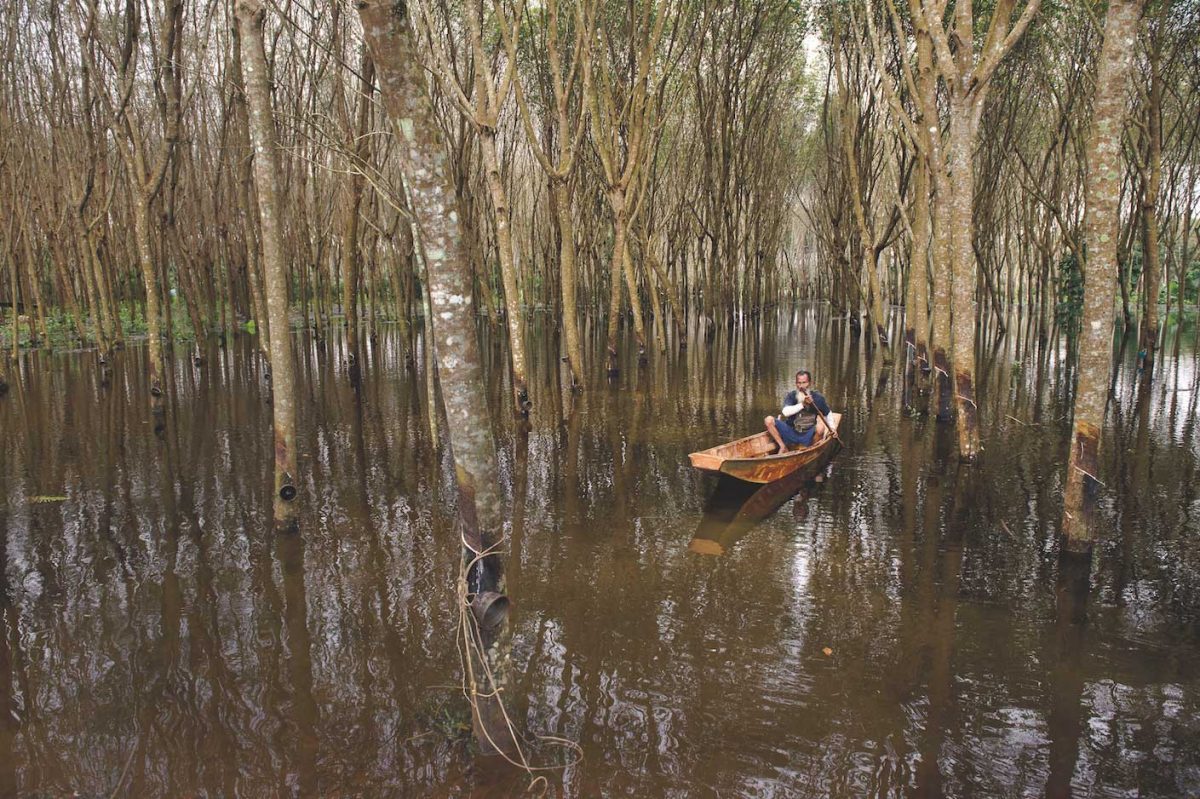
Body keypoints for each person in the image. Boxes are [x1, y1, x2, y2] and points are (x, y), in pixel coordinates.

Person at [765, 370, 831, 452]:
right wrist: (803, 404)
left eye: (804, 382)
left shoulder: (817, 397)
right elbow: (785, 412)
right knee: (768, 420)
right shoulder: (792, 396)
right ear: (796, 384)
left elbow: (828, 414)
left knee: (820, 428)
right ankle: (783, 446)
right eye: (799, 383)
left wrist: (833, 429)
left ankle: (812, 450)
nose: (801, 386)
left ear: (809, 383)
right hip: (791, 431)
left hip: (808, 434)